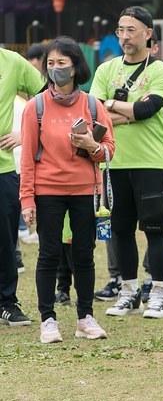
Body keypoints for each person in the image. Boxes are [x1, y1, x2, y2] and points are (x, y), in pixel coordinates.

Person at [19, 37, 115, 343]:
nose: (56, 69)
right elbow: (27, 157)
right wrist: (27, 199)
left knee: (84, 255)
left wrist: (92, 146)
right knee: (48, 255)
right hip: (48, 191)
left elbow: (110, 150)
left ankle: (85, 317)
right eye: (51, 64)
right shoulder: (35, 106)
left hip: (85, 190)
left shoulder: (92, 105)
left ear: (75, 67)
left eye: (62, 63)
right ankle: (48, 319)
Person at [89, 6, 163, 320]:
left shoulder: (159, 70)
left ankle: (160, 293)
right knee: (121, 231)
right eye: (121, 30)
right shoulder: (106, 70)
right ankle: (128, 292)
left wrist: (114, 107)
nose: (125, 36)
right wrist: (124, 110)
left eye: (132, 30)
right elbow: (95, 115)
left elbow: (147, 110)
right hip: (112, 162)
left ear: (148, 34)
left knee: (155, 229)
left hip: (150, 162)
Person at [0, 44, 46, 327]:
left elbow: (48, 96)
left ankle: (6, 302)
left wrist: (26, 131)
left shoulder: (11, 61)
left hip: (3, 168)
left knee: (5, 239)